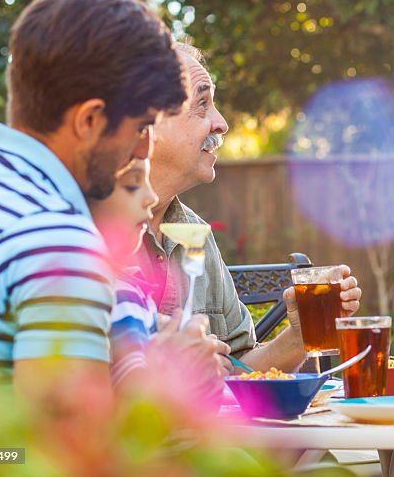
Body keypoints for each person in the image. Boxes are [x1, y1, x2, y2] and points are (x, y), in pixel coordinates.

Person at [0, 0, 187, 441]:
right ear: (89, 120)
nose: (142, 149)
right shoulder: (58, 240)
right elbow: (60, 460)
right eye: (142, 126)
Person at [139, 43, 361, 372]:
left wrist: (298, 336)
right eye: (202, 104)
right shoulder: (89, 232)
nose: (221, 123)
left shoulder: (194, 234)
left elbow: (242, 368)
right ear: (147, 121)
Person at [90, 158, 229, 398]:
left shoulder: (133, 297)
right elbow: (136, 407)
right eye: (133, 185)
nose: (151, 197)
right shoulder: (112, 298)